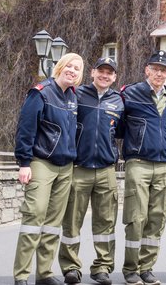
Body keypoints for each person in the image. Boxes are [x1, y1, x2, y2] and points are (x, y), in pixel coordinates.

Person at [13, 53, 84, 285]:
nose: (72, 71)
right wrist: (24, 163)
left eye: (77, 68)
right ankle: (21, 275)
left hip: (66, 166)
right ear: (60, 67)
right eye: (69, 66)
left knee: (53, 224)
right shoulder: (41, 92)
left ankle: (44, 273)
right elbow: (26, 129)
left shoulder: (72, 97)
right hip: (42, 162)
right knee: (34, 216)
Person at [59, 57, 124, 285]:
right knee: (72, 221)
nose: (105, 76)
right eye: (101, 71)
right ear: (93, 72)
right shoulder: (77, 95)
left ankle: (102, 267)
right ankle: (70, 267)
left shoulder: (118, 101)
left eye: (110, 73)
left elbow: (120, 131)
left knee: (106, 222)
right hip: (79, 168)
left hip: (106, 169)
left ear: (115, 77)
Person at [120, 51, 166, 285]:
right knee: (136, 217)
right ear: (147, 70)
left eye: (164, 70)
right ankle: (131, 269)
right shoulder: (130, 94)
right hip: (139, 163)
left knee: (157, 218)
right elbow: (118, 126)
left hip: (164, 165)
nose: (159, 73)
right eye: (156, 68)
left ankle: (147, 267)